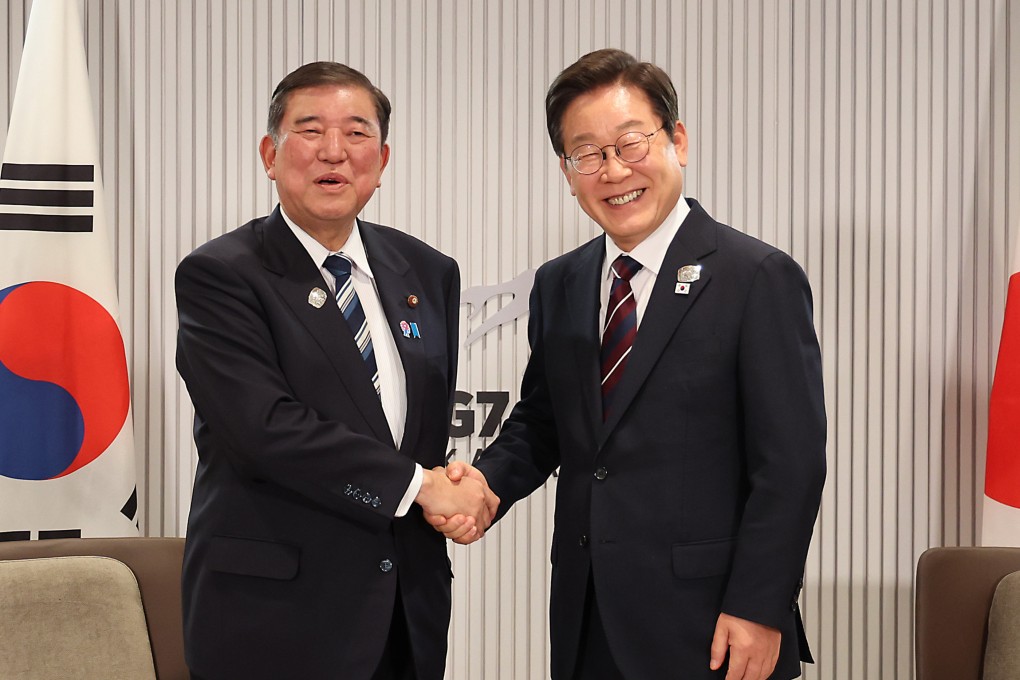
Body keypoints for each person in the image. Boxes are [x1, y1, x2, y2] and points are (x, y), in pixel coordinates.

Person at [429, 49, 826, 680]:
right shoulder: (562, 282)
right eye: (586, 153)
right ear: (567, 170)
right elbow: (544, 423)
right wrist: (484, 487)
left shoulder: (756, 277)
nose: (612, 170)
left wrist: (759, 605)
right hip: (588, 619)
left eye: (630, 143)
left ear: (678, 141)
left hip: (716, 626)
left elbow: (792, 463)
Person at [175, 61, 497, 680]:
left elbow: (417, 432)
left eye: (356, 133)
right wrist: (419, 486)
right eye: (309, 130)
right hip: (275, 614)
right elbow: (264, 428)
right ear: (270, 154)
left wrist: (448, 486)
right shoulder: (222, 274)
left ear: (381, 159)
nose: (334, 151)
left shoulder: (428, 271)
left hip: (407, 609)